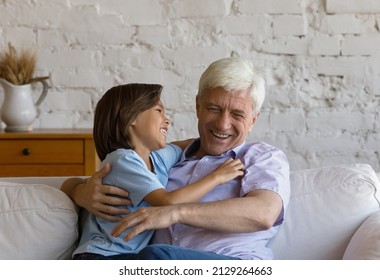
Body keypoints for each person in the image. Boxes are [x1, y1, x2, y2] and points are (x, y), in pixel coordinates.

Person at [61, 56, 290, 260]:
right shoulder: (166, 158)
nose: (223, 123)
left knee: (155, 256)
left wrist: (175, 213)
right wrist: (80, 192)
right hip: (147, 261)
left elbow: (263, 213)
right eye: (214, 108)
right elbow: (107, 175)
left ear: (253, 120)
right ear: (198, 106)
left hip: (228, 264)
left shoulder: (262, 157)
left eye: (238, 114)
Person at [70, 83, 244, 260]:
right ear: (131, 117)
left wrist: (221, 135)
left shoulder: (158, 159)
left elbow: (194, 143)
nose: (167, 120)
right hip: (99, 256)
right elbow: (167, 201)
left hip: (127, 257)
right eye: (158, 111)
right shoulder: (122, 160)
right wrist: (217, 177)